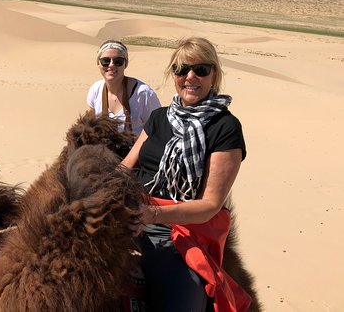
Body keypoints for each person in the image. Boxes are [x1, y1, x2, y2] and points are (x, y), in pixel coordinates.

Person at [121, 37, 251, 311]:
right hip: (130, 215)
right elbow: (125, 168)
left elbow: (209, 205)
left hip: (180, 231)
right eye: (181, 69)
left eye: (201, 69)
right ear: (173, 74)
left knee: (184, 296)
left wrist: (153, 214)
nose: (190, 77)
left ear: (214, 74)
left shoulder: (225, 128)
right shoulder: (159, 117)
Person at [87, 39, 161, 136]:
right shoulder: (95, 90)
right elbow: (89, 126)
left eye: (118, 61)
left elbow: (158, 130)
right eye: (105, 61)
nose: (111, 65)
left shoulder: (143, 94)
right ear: (98, 64)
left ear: (125, 64)